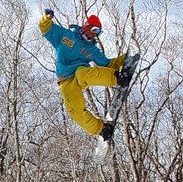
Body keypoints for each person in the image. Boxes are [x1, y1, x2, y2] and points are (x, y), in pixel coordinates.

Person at [39, 9, 131, 144]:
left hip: (80, 74)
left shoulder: (91, 49)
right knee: (74, 110)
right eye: (95, 30)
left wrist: (125, 59)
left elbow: (108, 64)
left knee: (82, 74)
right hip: (65, 79)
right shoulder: (65, 35)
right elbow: (46, 28)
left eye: (98, 33)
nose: (95, 35)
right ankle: (100, 129)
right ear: (86, 26)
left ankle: (117, 78)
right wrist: (46, 18)